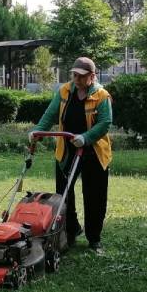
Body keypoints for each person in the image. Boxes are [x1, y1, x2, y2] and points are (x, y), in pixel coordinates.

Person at [29, 56, 113, 254]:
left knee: (94, 196)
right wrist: (38, 132)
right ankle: (71, 230)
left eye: (81, 76)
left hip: (94, 152)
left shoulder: (102, 96)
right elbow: (50, 115)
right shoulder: (65, 91)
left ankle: (94, 239)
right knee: (64, 195)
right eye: (74, 75)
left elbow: (105, 123)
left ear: (92, 76)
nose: (76, 79)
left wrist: (86, 138)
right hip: (67, 150)